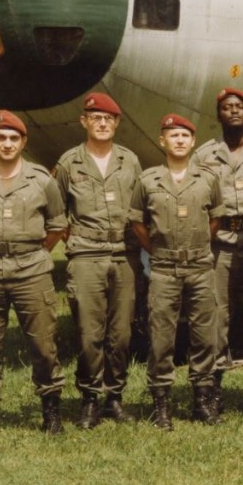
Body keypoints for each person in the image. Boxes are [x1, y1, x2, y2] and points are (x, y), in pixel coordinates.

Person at [0, 110, 67, 443]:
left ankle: (50, 412)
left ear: (23, 142)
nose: (7, 144)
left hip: (32, 270)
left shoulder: (41, 180)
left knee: (44, 344)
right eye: (1, 137)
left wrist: (30, 254)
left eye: (13, 138)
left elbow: (57, 226)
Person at [130, 113, 224, 430]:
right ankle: (161, 404)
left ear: (192, 141)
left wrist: (198, 244)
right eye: (173, 135)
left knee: (204, 335)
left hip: (200, 265)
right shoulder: (148, 180)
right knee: (160, 337)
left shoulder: (208, 179)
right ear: (163, 141)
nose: (180, 140)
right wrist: (156, 250)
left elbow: (215, 218)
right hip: (164, 267)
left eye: (185, 135)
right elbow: (137, 223)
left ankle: (202, 400)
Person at [55, 92, 142, 428]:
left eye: (108, 118)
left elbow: (139, 209)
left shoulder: (129, 161)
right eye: (96, 118)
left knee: (120, 332)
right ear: (84, 122)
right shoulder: (69, 163)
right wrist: (79, 243)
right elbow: (57, 214)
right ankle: (90, 398)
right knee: (88, 331)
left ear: (117, 124)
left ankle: (114, 398)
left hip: (124, 254)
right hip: (86, 255)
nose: (102, 123)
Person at [194, 87, 243, 414]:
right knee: (216, 315)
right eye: (227, 107)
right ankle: (212, 391)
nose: (234, 111)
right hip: (221, 242)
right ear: (219, 114)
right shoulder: (204, 155)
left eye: (240, 106)